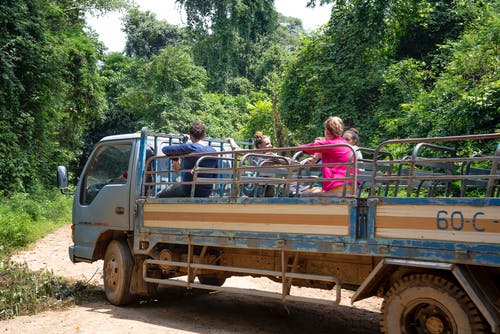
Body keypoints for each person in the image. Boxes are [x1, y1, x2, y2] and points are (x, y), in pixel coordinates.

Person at [158, 122, 217, 197]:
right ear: (204, 135)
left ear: (190, 135)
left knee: (159, 195)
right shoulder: (213, 151)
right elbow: (215, 175)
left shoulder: (190, 147)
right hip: (207, 192)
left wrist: (175, 159)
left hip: (189, 190)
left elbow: (165, 149)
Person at [299, 116, 354, 194]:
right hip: (350, 185)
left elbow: (311, 147)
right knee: (312, 190)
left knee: (304, 195)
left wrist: (298, 147)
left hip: (338, 186)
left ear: (327, 131)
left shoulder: (331, 144)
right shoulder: (344, 143)